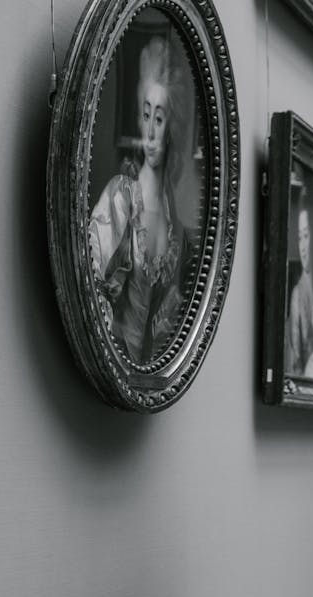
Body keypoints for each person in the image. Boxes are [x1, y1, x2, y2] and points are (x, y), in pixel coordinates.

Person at [88, 35, 194, 363]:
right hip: (110, 365)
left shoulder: (174, 220)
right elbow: (89, 282)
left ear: (171, 128)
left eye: (158, 119)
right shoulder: (120, 196)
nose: (149, 133)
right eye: (145, 115)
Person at [286, 208, 313, 377]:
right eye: (299, 237)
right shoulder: (298, 294)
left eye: (306, 236)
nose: (302, 246)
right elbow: (295, 360)